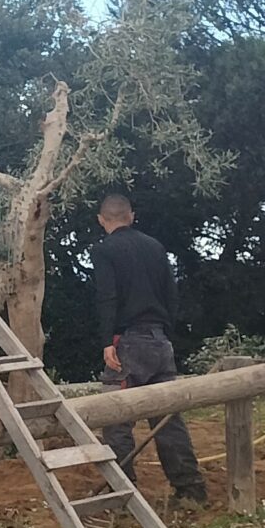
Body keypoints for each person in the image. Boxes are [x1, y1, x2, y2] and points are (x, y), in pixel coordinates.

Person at [90, 194, 207, 508]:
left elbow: (107, 298)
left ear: (102, 220)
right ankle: (190, 490)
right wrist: (166, 333)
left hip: (128, 342)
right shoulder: (155, 247)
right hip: (159, 340)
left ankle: (122, 495)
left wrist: (107, 341)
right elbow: (172, 294)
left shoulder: (104, 251)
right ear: (131, 216)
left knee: (115, 416)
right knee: (167, 417)